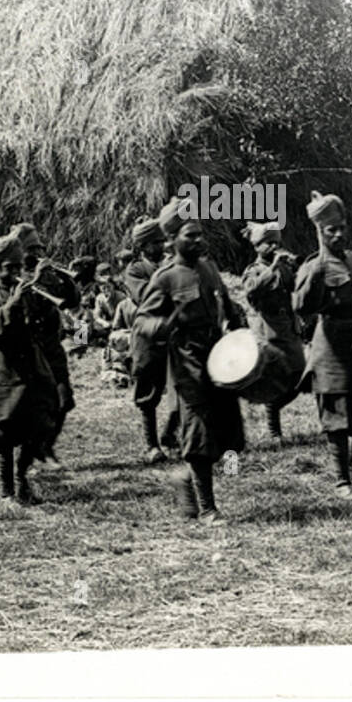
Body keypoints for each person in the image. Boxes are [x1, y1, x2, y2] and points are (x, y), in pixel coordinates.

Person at [132, 199, 245, 526]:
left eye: (200, 234)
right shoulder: (165, 278)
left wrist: (237, 323)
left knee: (230, 430)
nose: (198, 240)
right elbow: (142, 322)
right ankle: (208, 508)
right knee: (198, 435)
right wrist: (163, 327)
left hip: (219, 357)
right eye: (190, 235)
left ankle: (184, 477)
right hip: (186, 363)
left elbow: (225, 301)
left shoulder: (209, 269)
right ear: (171, 241)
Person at [292, 191, 352, 503]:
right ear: (319, 232)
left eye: (341, 227)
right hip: (331, 346)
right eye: (330, 229)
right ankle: (342, 481)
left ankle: (348, 462)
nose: (338, 234)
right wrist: (316, 276)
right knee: (337, 416)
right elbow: (301, 306)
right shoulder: (314, 266)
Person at [0, 231, 62, 504]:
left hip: (32, 368)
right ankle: (6, 491)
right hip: (1, 371)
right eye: (9, 268)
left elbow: (52, 319)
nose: (15, 273)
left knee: (40, 425)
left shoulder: (30, 292)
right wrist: (14, 301)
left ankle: (22, 479)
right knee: (3, 433)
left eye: (18, 267)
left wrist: (46, 284)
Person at [9, 222, 80, 466]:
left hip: (52, 346)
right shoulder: (16, 275)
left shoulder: (46, 273)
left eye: (40, 248)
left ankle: (46, 446)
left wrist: (66, 278)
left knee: (65, 399)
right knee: (36, 405)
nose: (38, 253)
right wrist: (39, 276)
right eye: (32, 249)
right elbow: (28, 307)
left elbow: (71, 301)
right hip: (30, 349)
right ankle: (32, 451)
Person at [239, 221, 305, 441]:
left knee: (299, 375)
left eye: (277, 242)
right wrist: (273, 267)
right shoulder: (253, 270)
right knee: (275, 377)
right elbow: (251, 291)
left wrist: (297, 269)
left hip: (287, 326)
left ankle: (273, 408)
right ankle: (273, 429)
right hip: (267, 329)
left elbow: (297, 287)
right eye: (268, 243)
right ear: (257, 246)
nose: (274, 247)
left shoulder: (284, 266)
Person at [126, 216, 176, 463]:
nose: (160, 246)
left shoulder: (171, 266)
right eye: (154, 243)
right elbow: (146, 296)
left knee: (186, 385)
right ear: (142, 247)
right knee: (149, 391)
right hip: (148, 335)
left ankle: (170, 434)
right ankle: (151, 445)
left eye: (161, 241)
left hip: (174, 334)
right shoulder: (135, 270)